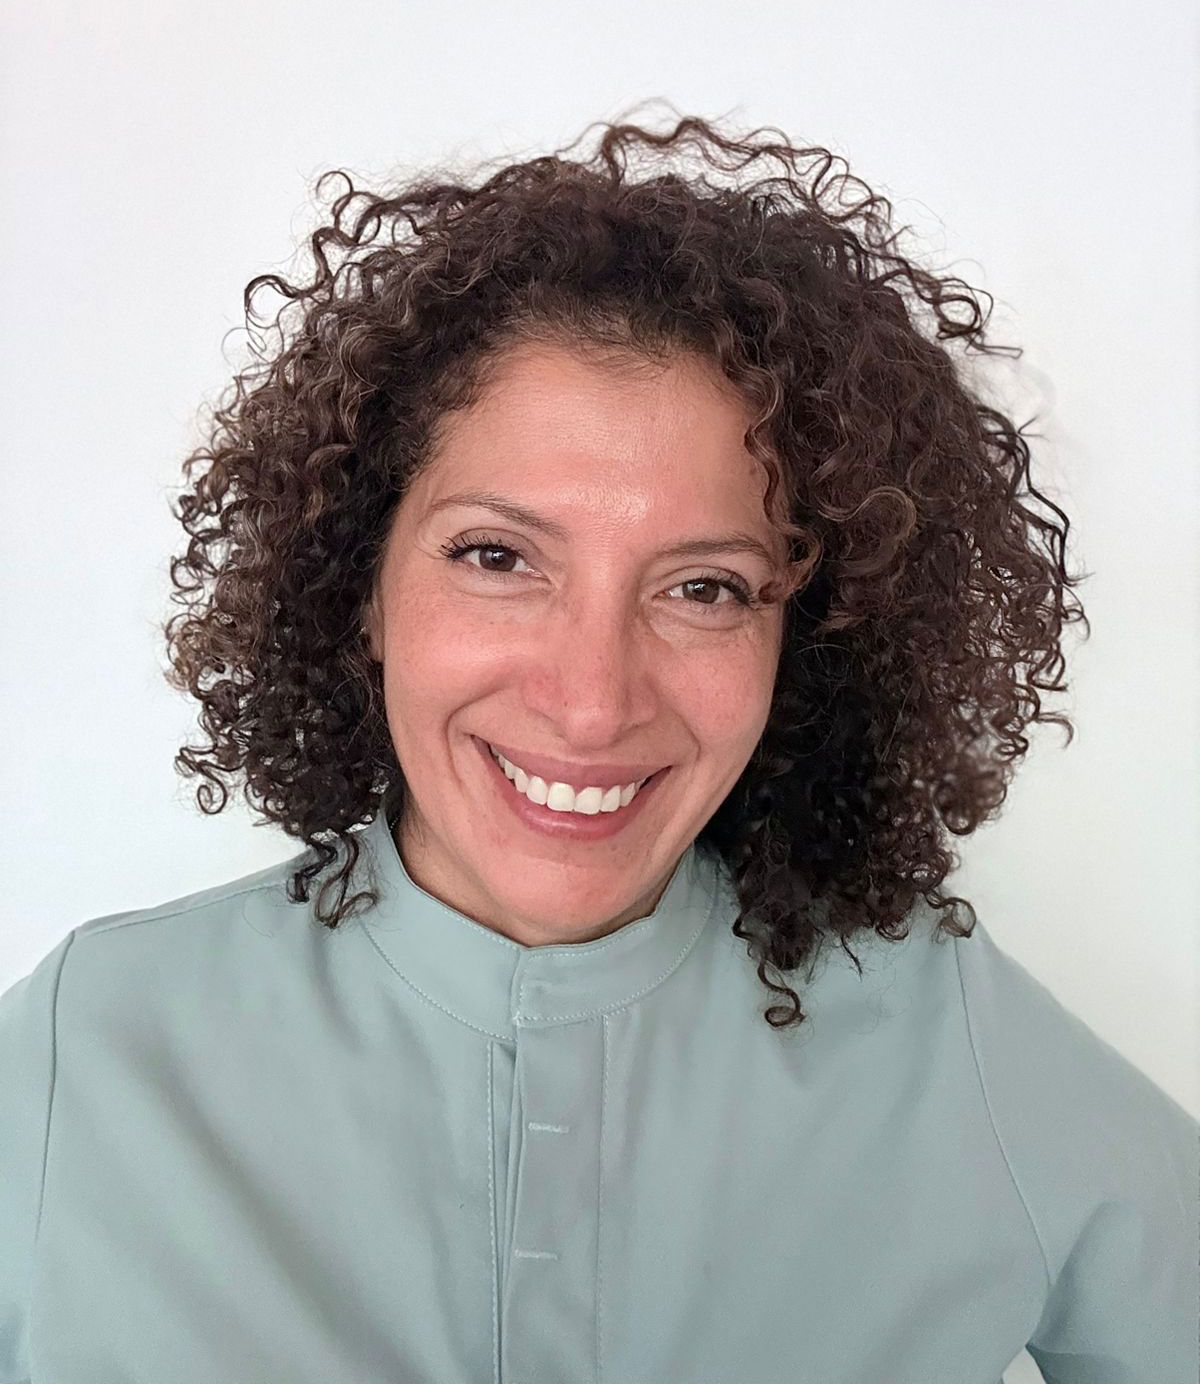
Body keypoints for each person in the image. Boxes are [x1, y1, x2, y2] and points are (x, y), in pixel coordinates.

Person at [1, 111, 1195, 1384]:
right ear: (362, 586)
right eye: (497, 556)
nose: (591, 703)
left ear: (804, 637)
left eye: (705, 588)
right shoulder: (92, 1046)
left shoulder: (946, 1035)